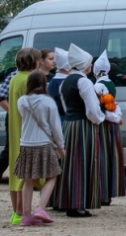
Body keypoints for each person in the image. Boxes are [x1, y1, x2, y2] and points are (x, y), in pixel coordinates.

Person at [50, 44, 107, 218]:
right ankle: (78, 204)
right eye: (89, 63)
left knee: (69, 164)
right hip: (82, 126)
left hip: (69, 125)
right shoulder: (84, 82)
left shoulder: (65, 82)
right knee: (82, 162)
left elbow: (67, 106)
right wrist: (99, 119)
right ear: (84, 65)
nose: (91, 66)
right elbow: (92, 109)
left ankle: (66, 201)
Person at [14, 70, 64, 228]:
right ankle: (41, 208)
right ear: (44, 83)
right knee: (52, 175)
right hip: (43, 143)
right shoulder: (48, 101)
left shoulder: (22, 101)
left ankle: (26, 215)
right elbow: (55, 126)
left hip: (26, 144)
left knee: (28, 180)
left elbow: (24, 117)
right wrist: (61, 145)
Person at [92, 51, 125, 204]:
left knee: (103, 157)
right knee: (111, 157)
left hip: (105, 125)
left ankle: (103, 193)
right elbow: (113, 106)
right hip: (111, 125)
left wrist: (114, 118)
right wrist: (117, 117)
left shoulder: (99, 85)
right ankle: (108, 193)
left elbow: (107, 107)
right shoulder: (110, 83)